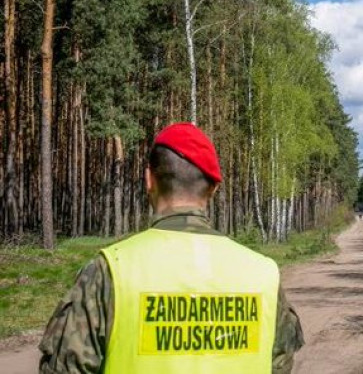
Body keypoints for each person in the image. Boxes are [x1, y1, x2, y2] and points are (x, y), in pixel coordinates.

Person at [38, 122, 303, 373]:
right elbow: (280, 364)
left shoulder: (109, 271)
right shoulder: (263, 274)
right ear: (213, 188)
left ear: (149, 179)